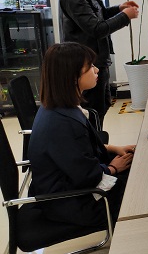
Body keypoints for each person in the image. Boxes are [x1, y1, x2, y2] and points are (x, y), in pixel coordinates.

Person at [28, 42, 135, 227]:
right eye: (90, 67)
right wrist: (113, 168)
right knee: (137, 186)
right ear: (72, 77)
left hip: (67, 187)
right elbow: (88, 176)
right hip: (72, 202)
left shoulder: (56, 106)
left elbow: (76, 153)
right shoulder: (63, 123)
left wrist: (111, 148)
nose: (97, 70)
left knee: (134, 166)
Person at [59, 0, 139, 127]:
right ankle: (93, 144)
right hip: (85, 64)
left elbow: (98, 15)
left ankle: (98, 141)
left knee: (100, 108)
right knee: (91, 111)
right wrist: (125, 16)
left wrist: (119, 9)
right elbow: (96, 29)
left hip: (96, 60)